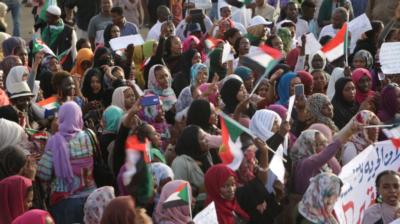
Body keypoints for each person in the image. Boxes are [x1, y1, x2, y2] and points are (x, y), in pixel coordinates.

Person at [37, 102, 96, 224]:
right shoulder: (89, 135)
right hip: (92, 197)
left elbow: (43, 174)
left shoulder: (55, 141)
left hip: (65, 202)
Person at [290, 115, 359, 195]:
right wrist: (348, 131)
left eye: (325, 142)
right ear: (309, 146)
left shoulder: (324, 164)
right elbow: (324, 155)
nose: (326, 146)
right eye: (320, 144)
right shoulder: (305, 163)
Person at [40, 5, 77, 70]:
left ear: (56, 17)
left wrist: (75, 66)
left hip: (66, 66)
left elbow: (74, 51)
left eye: (49, 17)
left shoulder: (70, 31)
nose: (46, 19)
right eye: (46, 16)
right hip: (49, 66)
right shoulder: (45, 30)